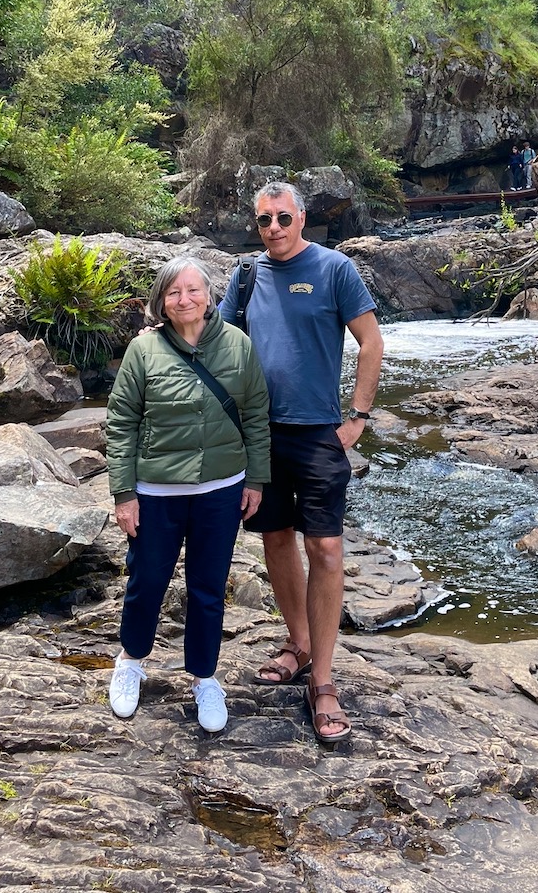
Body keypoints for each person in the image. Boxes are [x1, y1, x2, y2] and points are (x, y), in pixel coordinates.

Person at [218, 180, 383, 742]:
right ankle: (299, 644)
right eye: (264, 221)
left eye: (283, 219)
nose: (274, 230)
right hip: (258, 434)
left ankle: (325, 681)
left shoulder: (336, 269)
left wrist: (357, 416)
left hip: (319, 433)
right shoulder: (245, 277)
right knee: (276, 538)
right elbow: (215, 345)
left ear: (302, 217)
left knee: (327, 547)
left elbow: (371, 343)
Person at [105, 256, 271, 733]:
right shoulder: (144, 350)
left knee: (207, 589)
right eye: (174, 292)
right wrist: (123, 493)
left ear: (209, 295)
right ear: (162, 300)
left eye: (193, 290)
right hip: (155, 491)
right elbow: (120, 424)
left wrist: (255, 480)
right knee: (146, 582)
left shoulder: (238, 346)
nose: (185, 300)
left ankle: (204, 677)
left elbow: (256, 415)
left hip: (221, 489)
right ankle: (131, 662)